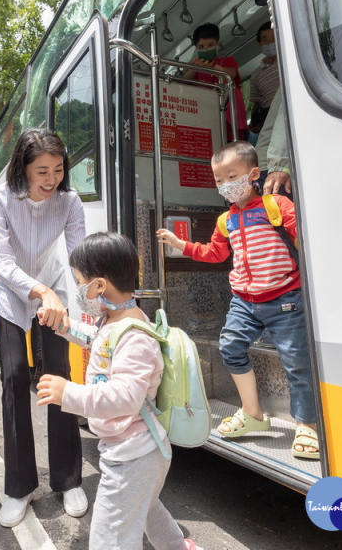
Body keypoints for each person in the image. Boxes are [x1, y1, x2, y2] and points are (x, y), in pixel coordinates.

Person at [36, 233, 202, 550]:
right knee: (146, 507)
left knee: (110, 537)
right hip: (136, 450)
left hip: (133, 454)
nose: (79, 290)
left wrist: (68, 393)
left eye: (80, 282)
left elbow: (126, 397)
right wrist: (63, 326)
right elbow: (98, 343)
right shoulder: (115, 322)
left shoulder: (135, 336)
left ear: (99, 286)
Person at [156, 142, 318, 461]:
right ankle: (253, 412)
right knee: (230, 347)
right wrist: (181, 244)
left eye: (232, 176)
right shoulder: (225, 221)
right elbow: (215, 254)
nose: (225, 185)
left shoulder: (277, 207)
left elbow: (308, 240)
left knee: (297, 360)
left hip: (285, 298)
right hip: (244, 301)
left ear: (253, 174)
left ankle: (307, 423)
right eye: (219, 180)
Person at [0, 129, 87, 527]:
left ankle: (68, 479)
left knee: (58, 376)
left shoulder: (69, 201)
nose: (51, 179)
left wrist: (97, 294)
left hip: (52, 290)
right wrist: (39, 291)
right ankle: (19, 486)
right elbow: (2, 261)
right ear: (21, 168)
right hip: (11, 292)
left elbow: (79, 254)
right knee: (13, 377)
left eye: (58, 169)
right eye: (41, 170)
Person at [182, 22, 247, 141]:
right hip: (209, 119)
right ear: (196, 49)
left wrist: (215, 68)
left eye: (210, 45)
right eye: (201, 47)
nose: (206, 49)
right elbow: (183, 82)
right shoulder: (196, 69)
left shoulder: (226, 61)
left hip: (231, 119)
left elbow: (231, 74)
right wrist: (194, 68)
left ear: (217, 44)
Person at [247, 22, 280, 142]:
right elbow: (257, 104)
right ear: (260, 43)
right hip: (269, 117)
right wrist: (255, 122)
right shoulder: (256, 75)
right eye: (266, 39)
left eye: (274, 38)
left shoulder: (288, 61)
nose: (270, 43)